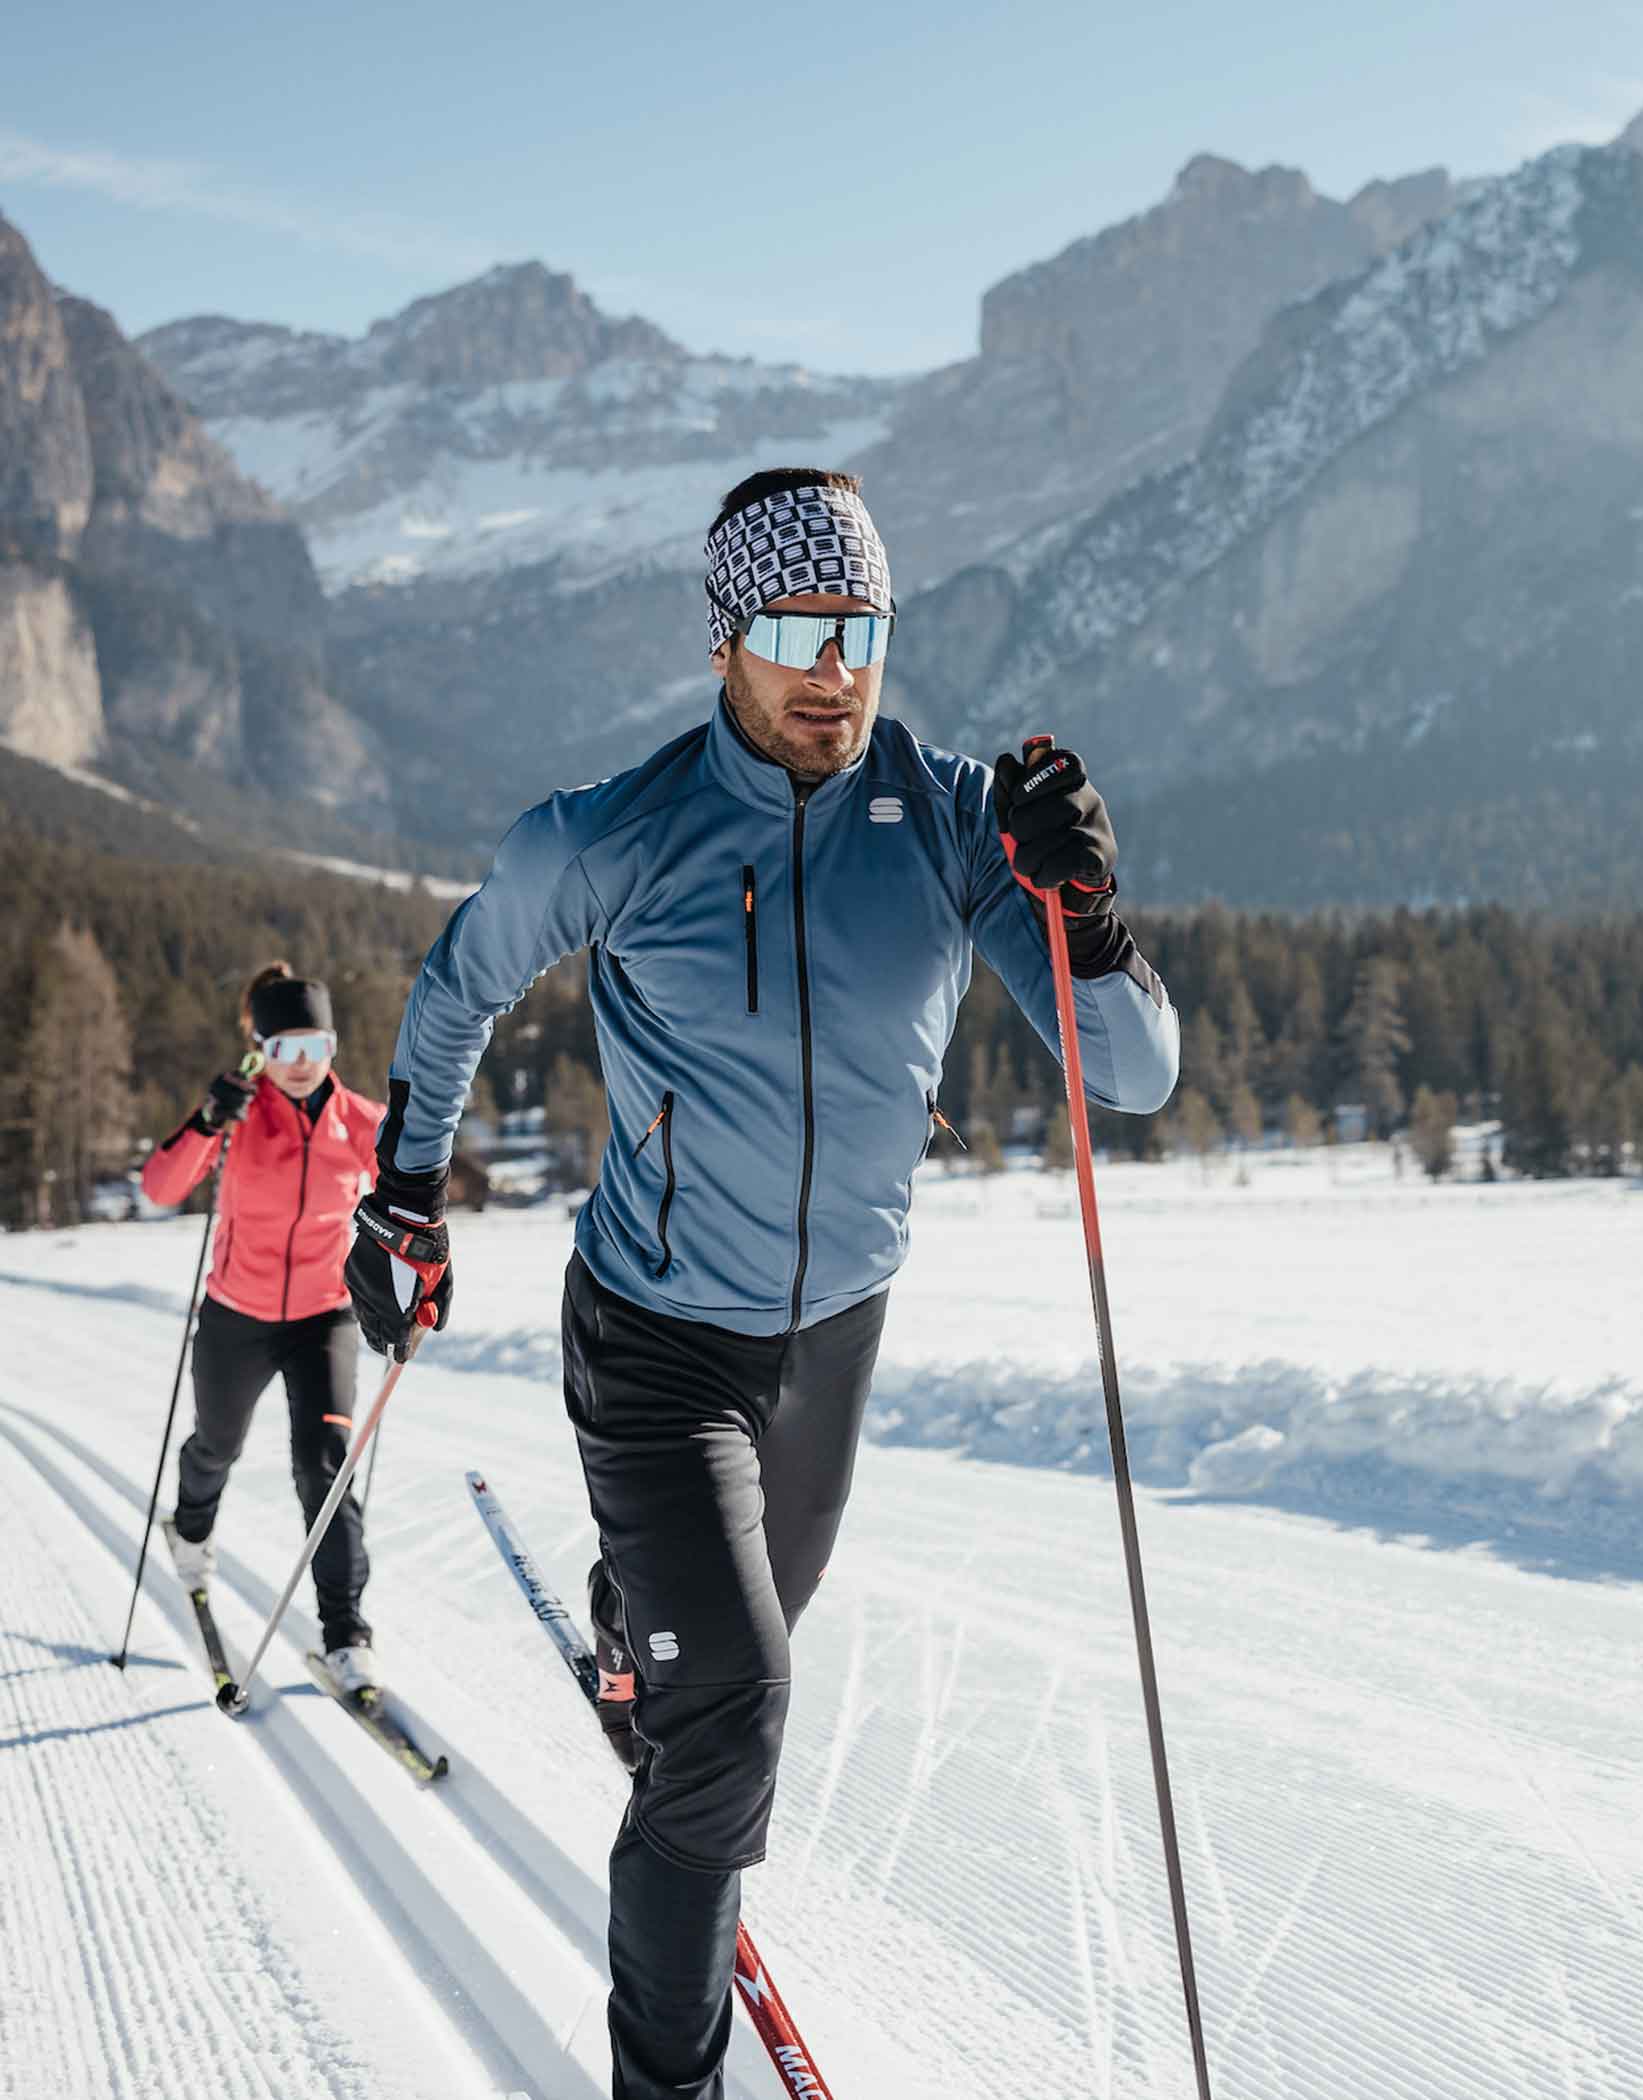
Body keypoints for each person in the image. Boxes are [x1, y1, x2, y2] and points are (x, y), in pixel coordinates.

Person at [345, 468, 1180, 2098]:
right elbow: (456, 988)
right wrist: (405, 1197)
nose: (833, 670)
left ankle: (628, 1621)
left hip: (833, 1343)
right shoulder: (618, 833)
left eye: (862, 629)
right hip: (655, 1338)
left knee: (734, 1646)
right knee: (729, 1720)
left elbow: (1135, 1077)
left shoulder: (955, 823)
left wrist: (1087, 916)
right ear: (724, 640)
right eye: (796, 631)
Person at [141, 961, 386, 1693]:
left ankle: (346, 1631)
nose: (302, 1064)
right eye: (284, 1049)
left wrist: (412, 1267)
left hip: (323, 1316)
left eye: (316, 1046)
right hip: (236, 1314)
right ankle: (190, 1529)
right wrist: (205, 1120)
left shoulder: (363, 1123)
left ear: (333, 1046)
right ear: (260, 1050)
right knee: (217, 1444)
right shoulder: (239, 1115)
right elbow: (160, 1187)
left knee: (325, 1464)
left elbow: (411, 1197)